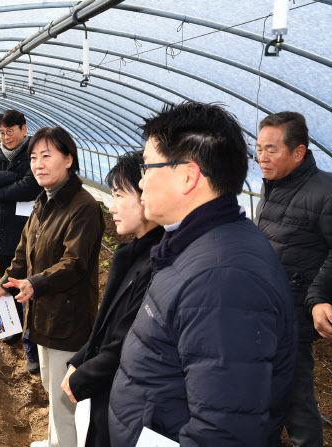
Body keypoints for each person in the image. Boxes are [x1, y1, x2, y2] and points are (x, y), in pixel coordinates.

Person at [108, 102, 298, 446]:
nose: (141, 180)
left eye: (147, 167)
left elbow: (223, 431)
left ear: (187, 176)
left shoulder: (223, 279)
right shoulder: (192, 246)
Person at [0, 126, 105, 447]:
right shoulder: (43, 201)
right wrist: (5, 285)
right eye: (34, 157)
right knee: (52, 391)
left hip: (68, 321)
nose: (38, 164)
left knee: (63, 403)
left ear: (69, 159)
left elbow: (74, 263)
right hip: (41, 317)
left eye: (47, 156)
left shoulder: (83, 207)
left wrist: (34, 284)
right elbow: (24, 253)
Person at [61, 151, 163, 447]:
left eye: (119, 195)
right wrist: (81, 359)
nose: (111, 204)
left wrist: (84, 375)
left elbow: (131, 339)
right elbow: (108, 326)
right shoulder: (135, 253)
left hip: (127, 397)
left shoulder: (158, 263)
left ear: (147, 194)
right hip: (111, 389)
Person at [255, 111, 332, 447]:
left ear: (298, 152)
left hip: (293, 314)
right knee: (263, 394)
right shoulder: (273, 185)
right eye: (258, 148)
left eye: (271, 149)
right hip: (262, 310)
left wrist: (318, 297)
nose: (261, 157)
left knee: (297, 401)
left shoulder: (325, 191)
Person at [0, 110, 43, 374]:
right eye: (2, 133)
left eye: (10, 131)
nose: (6, 137)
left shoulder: (34, 153)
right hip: (4, 233)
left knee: (33, 289)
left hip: (28, 232)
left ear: (24, 129)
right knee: (7, 282)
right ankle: (10, 328)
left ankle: (34, 345)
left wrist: (1, 189)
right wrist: (12, 179)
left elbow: (29, 187)